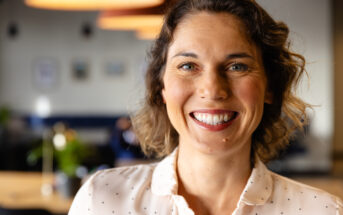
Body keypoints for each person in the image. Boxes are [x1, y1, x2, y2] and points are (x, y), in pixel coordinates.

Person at [69, 0, 343, 214]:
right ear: (161, 88)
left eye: (237, 66)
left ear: (269, 87)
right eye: (188, 66)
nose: (212, 90)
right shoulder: (101, 200)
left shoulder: (324, 211)